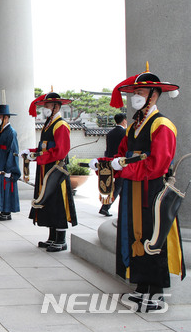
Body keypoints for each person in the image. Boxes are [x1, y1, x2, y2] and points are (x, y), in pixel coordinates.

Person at [94, 70, 184, 312]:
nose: (135, 96)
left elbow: (158, 164)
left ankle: (157, 292)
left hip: (152, 191)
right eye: (134, 92)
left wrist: (122, 168)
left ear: (154, 95)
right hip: (134, 188)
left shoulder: (162, 125)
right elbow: (122, 153)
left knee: (153, 239)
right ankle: (143, 286)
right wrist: (104, 162)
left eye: (140, 92)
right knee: (137, 237)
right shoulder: (135, 125)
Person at [22, 92, 77, 252]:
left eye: (47, 106)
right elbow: (44, 146)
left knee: (58, 203)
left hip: (55, 170)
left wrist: (39, 157)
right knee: (48, 202)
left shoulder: (61, 125)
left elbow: (60, 151)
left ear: (56, 107)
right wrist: (31, 152)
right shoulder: (48, 123)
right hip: (46, 168)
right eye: (44, 106)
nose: (44, 109)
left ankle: (61, 239)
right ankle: (52, 237)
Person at [97, 112, 127, 216]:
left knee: (114, 185)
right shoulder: (125, 133)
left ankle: (122, 209)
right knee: (118, 185)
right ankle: (105, 207)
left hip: (109, 161)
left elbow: (108, 149)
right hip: (120, 162)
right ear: (124, 121)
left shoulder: (110, 133)